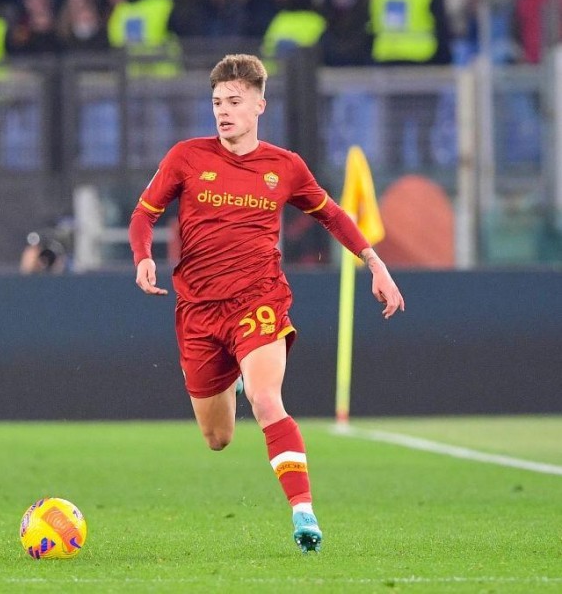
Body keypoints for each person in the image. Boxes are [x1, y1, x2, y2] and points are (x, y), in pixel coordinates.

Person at [128, 53, 405, 553]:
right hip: (198, 312)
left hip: (259, 300)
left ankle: (303, 513)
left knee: (266, 399)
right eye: (217, 102)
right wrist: (143, 257)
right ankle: (229, 380)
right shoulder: (186, 157)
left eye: (234, 101)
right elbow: (143, 215)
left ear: (260, 105)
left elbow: (333, 214)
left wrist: (376, 264)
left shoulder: (285, 167)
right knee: (218, 439)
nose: (223, 111)